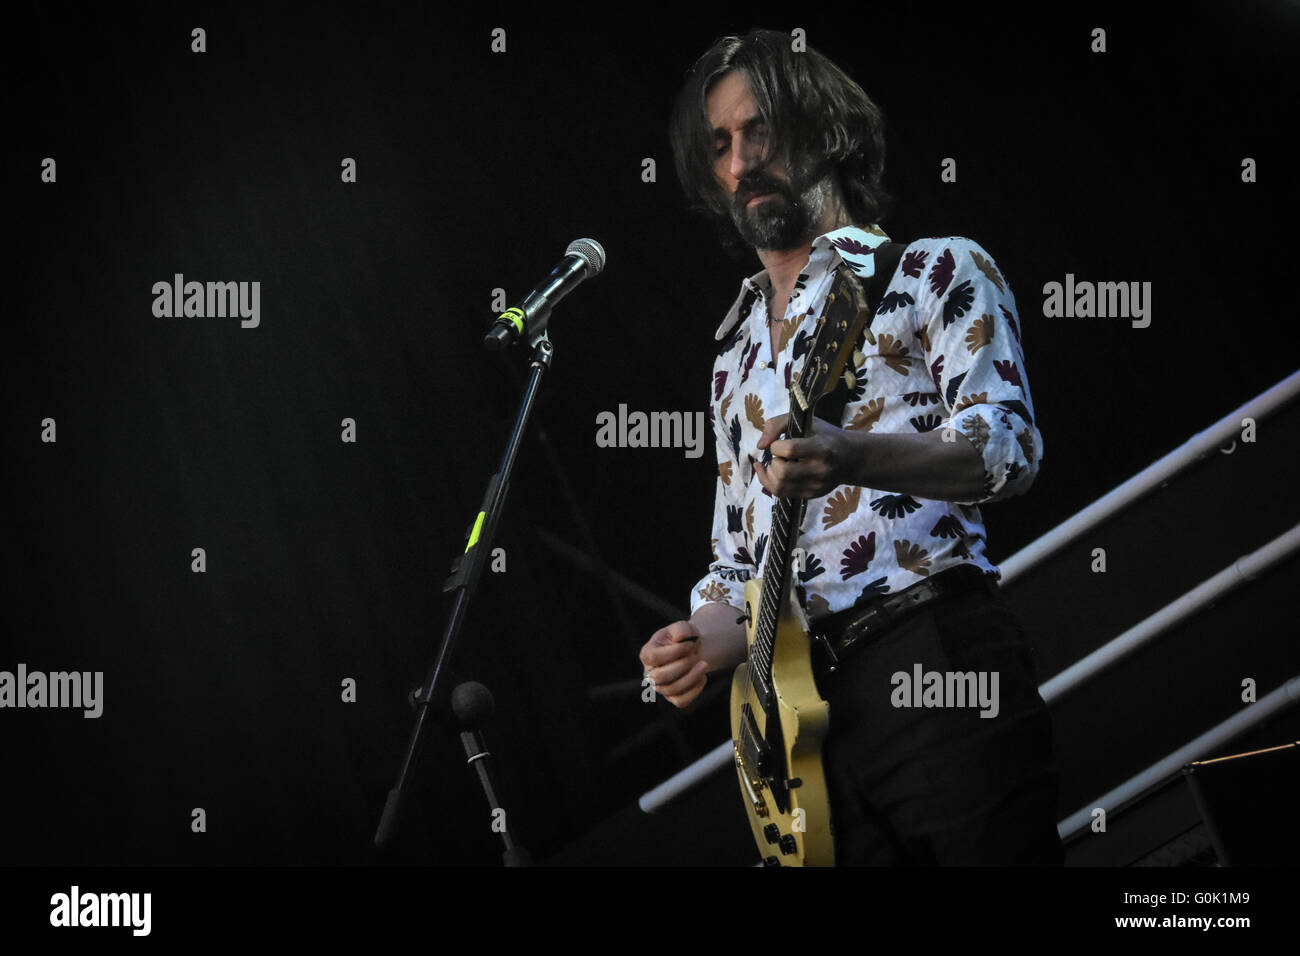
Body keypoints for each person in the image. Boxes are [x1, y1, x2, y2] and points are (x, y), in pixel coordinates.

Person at [638, 29, 1063, 865]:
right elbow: (735, 560)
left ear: (825, 130)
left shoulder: (934, 269)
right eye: (720, 145)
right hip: (797, 721)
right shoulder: (732, 360)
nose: (740, 162)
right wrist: (699, 641)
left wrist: (857, 458)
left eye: (759, 130)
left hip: (930, 658)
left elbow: (1006, 446)